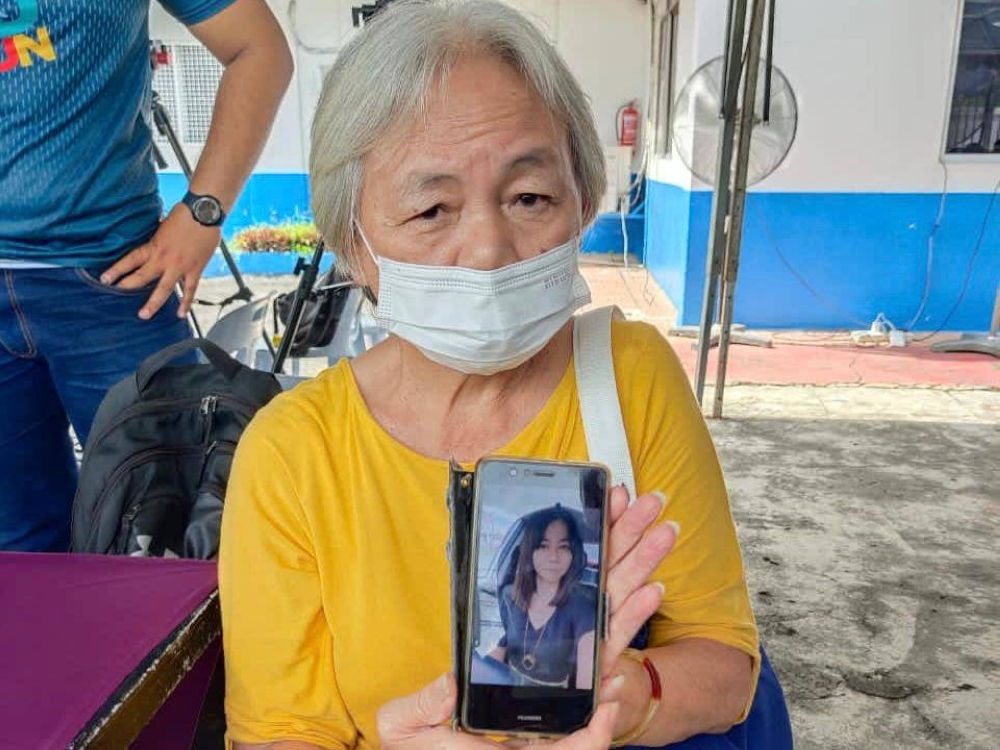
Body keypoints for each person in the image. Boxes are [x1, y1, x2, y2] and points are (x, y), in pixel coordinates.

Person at [219, 1, 761, 748]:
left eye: (529, 196)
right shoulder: (291, 455)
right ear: (354, 244)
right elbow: (278, 731)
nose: (487, 247)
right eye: (432, 208)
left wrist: (634, 698)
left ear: (582, 203)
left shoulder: (632, 378)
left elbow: (726, 663)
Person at [0, 0, 293, 551]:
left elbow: (259, 49)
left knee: (167, 541)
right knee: (16, 562)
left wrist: (204, 213)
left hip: (115, 285)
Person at [488, 506, 597, 689]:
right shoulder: (511, 595)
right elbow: (503, 646)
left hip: (552, 705)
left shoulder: (583, 610)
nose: (553, 557)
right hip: (507, 697)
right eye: (543, 546)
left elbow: (586, 681)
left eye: (563, 547)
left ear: (574, 554)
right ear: (529, 551)